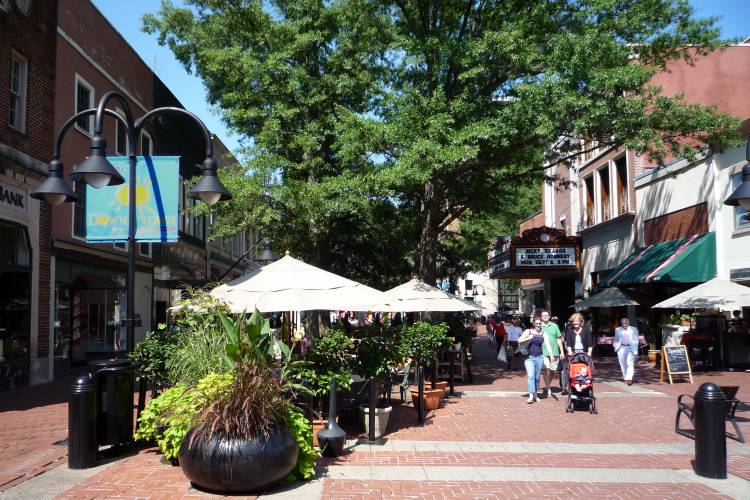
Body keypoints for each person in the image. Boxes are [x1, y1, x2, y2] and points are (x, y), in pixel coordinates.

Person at [518, 317, 545, 403]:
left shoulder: (543, 333)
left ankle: (535, 395)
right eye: (536, 323)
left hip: (539, 357)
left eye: (539, 323)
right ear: (533, 323)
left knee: (537, 377)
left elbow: (547, 344)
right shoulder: (528, 331)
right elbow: (519, 340)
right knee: (531, 376)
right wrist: (529, 337)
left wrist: (551, 355)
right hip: (529, 357)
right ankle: (530, 395)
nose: (538, 325)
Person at [540, 310, 564, 398]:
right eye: (543, 315)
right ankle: (548, 389)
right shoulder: (539, 326)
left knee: (552, 371)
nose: (545, 316)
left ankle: (547, 387)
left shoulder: (555, 326)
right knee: (546, 369)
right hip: (543, 351)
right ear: (541, 317)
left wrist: (562, 351)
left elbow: (559, 339)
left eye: (547, 315)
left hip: (554, 352)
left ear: (549, 316)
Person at [614, 317, 639, 385]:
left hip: (630, 348)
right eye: (622, 323)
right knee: (623, 364)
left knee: (629, 363)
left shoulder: (634, 329)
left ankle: (629, 378)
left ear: (628, 323)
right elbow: (616, 339)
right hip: (621, 348)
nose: (624, 324)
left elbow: (636, 340)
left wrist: (636, 351)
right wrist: (615, 346)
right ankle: (625, 377)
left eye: (625, 323)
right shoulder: (617, 329)